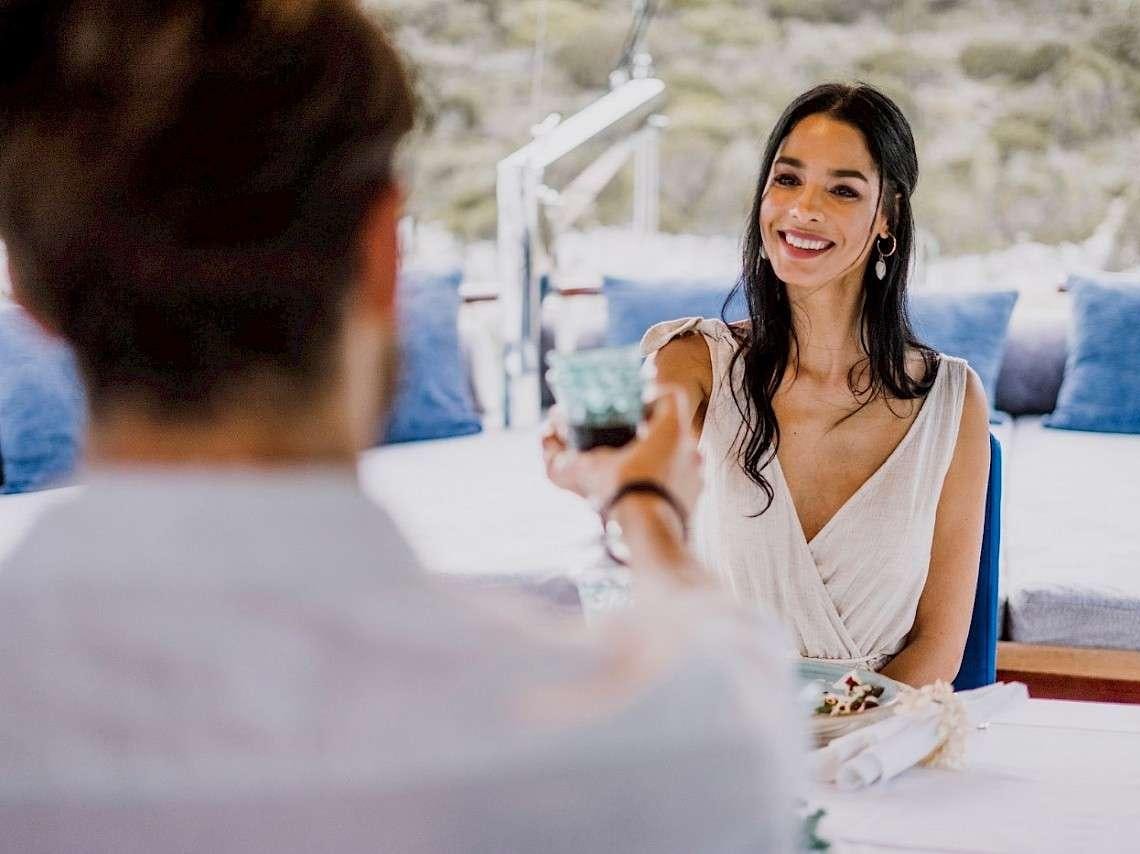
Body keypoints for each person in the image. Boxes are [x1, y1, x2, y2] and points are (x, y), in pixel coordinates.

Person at [0, 2, 800, 850]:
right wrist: (648, 507)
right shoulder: (645, 744)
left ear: (31, 294)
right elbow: (738, 687)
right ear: (386, 252)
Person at [643, 83, 991, 687]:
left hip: (877, 741)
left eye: (842, 190)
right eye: (787, 180)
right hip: (722, 724)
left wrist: (842, 745)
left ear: (889, 217)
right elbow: (636, 532)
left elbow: (938, 644)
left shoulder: (953, 401)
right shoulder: (692, 364)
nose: (803, 209)